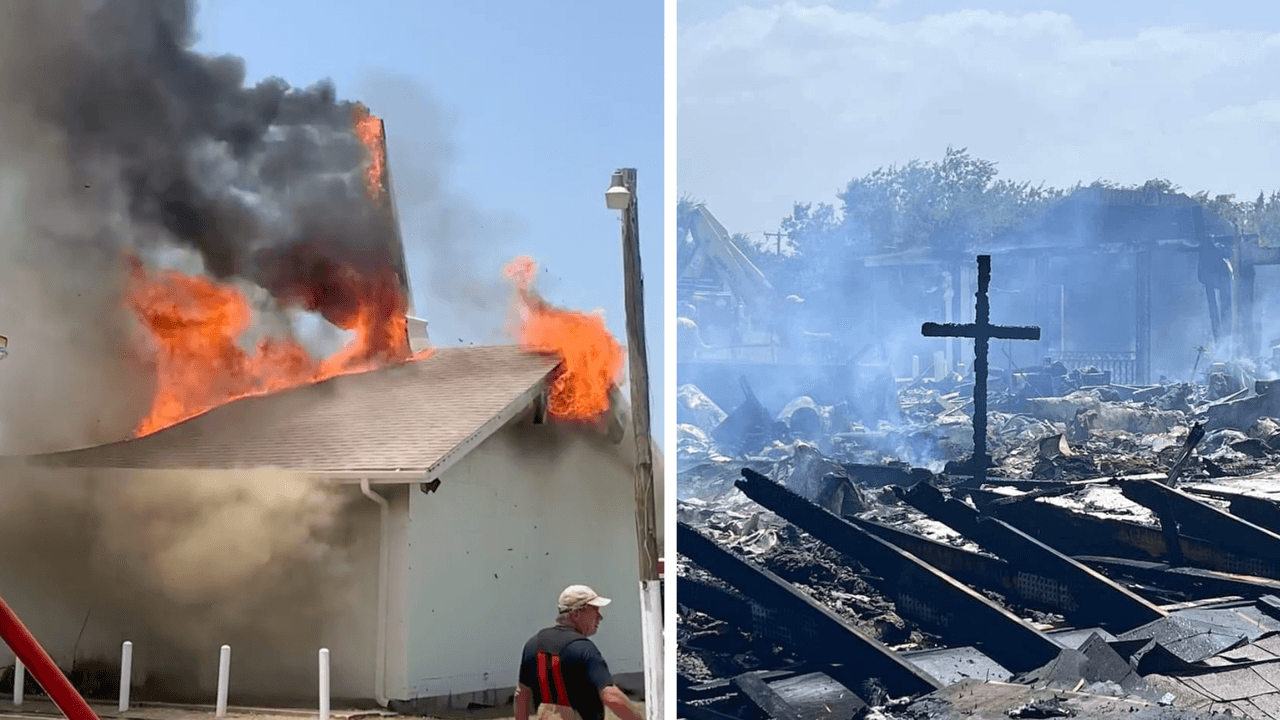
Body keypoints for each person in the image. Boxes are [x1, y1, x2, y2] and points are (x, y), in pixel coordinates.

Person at [515, 585, 644, 720]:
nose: (600, 617)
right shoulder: (583, 648)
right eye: (595, 610)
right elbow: (611, 696)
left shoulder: (533, 643)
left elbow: (522, 694)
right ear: (576, 614)